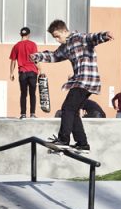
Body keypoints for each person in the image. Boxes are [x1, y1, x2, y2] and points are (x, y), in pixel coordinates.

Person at [30, 19, 114, 150]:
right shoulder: (65, 47)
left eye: (58, 36)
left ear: (65, 31)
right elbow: (54, 56)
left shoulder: (80, 38)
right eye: (54, 38)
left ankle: (64, 139)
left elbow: (92, 37)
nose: (57, 40)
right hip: (80, 82)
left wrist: (103, 35)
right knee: (73, 112)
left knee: (67, 108)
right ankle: (82, 143)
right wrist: (37, 57)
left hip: (86, 80)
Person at [10, 27, 39, 119]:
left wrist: (11, 73)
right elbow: (35, 58)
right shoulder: (33, 44)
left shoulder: (16, 46)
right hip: (32, 72)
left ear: (20, 34)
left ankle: (23, 114)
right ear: (29, 35)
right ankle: (32, 114)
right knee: (32, 94)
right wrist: (41, 70)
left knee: (23, 94)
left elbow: (13, 61)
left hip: (22, 73)